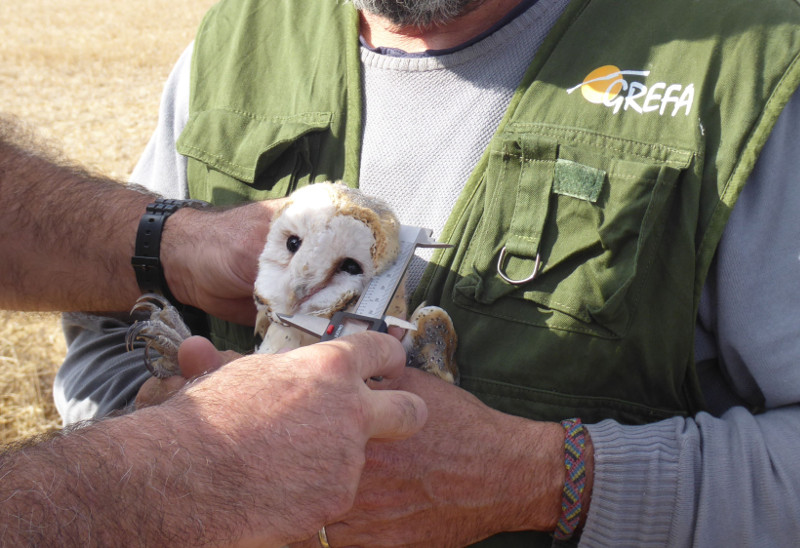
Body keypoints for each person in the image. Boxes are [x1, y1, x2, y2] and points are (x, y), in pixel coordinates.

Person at [55, 0, 800, 546]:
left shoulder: (748, 71)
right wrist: (167, 428)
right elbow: (106, 329)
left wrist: (542, 479)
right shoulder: (237, 45)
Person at [0, 118, 429, 546]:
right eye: (292, 244)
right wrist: (182, 445)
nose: (301, 282)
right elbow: (109, 338)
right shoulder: (210, 66)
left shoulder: (385, 316)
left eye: (348, 267)